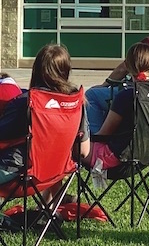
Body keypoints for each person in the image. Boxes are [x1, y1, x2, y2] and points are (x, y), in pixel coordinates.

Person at [0, 45, 90, 192]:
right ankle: (48, 212)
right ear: (66, 71)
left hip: (20, 173)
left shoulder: (25, 103)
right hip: (56, 172)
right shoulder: (76, 103)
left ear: (36, 70)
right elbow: (84, 151)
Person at [85, 43, 149, 170]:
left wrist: (83, 138)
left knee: (69, 147)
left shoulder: (125, 96)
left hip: (116, 159)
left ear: (128, 68)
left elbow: (103, 135)